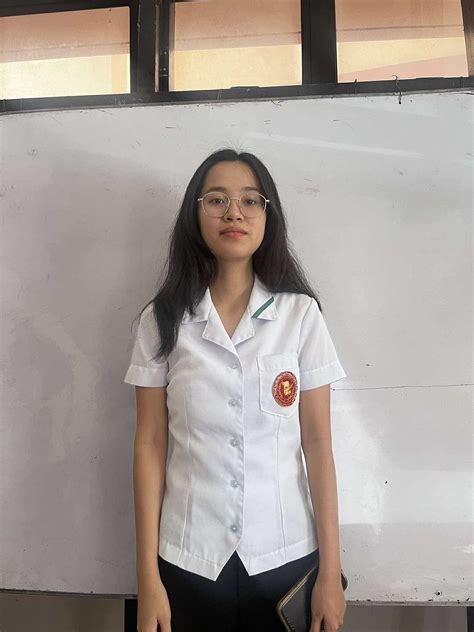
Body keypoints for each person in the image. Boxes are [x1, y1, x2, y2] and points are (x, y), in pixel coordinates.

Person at [123, 148, 347, 632]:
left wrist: (331, 573)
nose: (234, 213)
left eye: (250, 200)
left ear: (268, 215)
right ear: (195, 214)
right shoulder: (162, 320)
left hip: (285, 560)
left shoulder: (300, 316)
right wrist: (148, 578)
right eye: (217, 200)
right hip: (187, 561)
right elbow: (150, 445)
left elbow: (318, 444)